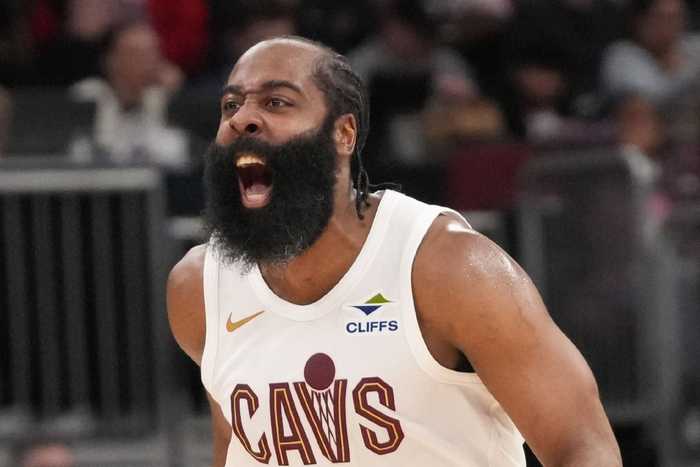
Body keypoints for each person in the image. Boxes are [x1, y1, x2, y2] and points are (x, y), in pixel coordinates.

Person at [167, 36, 622, 466]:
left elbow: (583, 444)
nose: (242, 118)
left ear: (344, 133)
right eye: (231, 105)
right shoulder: (199, 289)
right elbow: (237, 450)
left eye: (276, 102)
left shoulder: (449, 267)